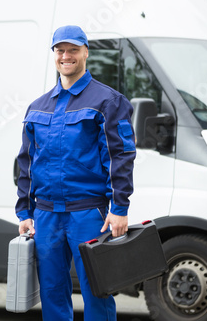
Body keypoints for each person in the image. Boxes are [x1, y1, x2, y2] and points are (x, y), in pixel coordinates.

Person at [15, 25, 136, 321]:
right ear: (54, 55)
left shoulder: (108, 101)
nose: (66, 56)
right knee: (52, 293)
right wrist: (24, 212)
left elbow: (120, 156)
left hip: (88, 213)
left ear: (85, 52)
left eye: (72, 50)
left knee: (98, 292)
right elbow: (26, 163)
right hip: (46, 215)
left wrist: (119, 207)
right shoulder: (38, 107)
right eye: (60, 50)